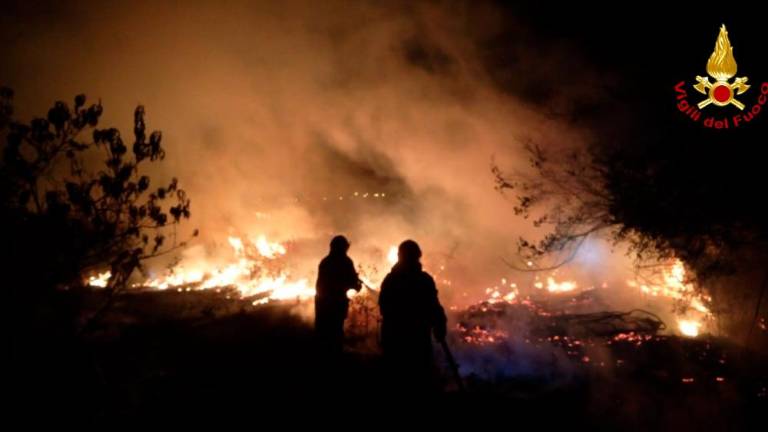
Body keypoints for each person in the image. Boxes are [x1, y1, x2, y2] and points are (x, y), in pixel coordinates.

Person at [378, 239, 447, 393]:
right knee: (418, 381)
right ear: (418, 256)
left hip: (394, 340)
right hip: (417, 340)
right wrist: (439, 325)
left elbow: (383, 307)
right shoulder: (424, 280)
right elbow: (434, 307)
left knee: (395, 381)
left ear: (399, 256)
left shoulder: (391, 280)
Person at [314, 235, 361, 355]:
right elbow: (352, 284)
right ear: (344, 248)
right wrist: (357, 284)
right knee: (335, 335)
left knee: (322, 335)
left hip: (322, 306)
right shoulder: (345, 262)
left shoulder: (325, 262)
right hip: (336, 305)